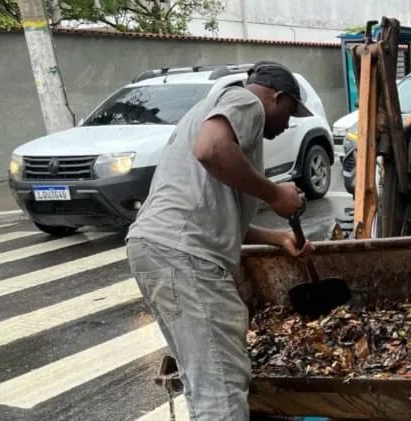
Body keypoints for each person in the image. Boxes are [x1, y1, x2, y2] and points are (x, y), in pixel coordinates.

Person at [125, 61, 315, 420]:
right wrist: (275, 193)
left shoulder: (219, 116)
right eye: (291, 111)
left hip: (162, 248)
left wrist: (277, 239)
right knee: (220, 389)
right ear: (278, 97)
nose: (289, 123)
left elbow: (220, 220)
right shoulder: (245, 103)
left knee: (204, 381)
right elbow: (211, 149)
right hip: (184, 257)